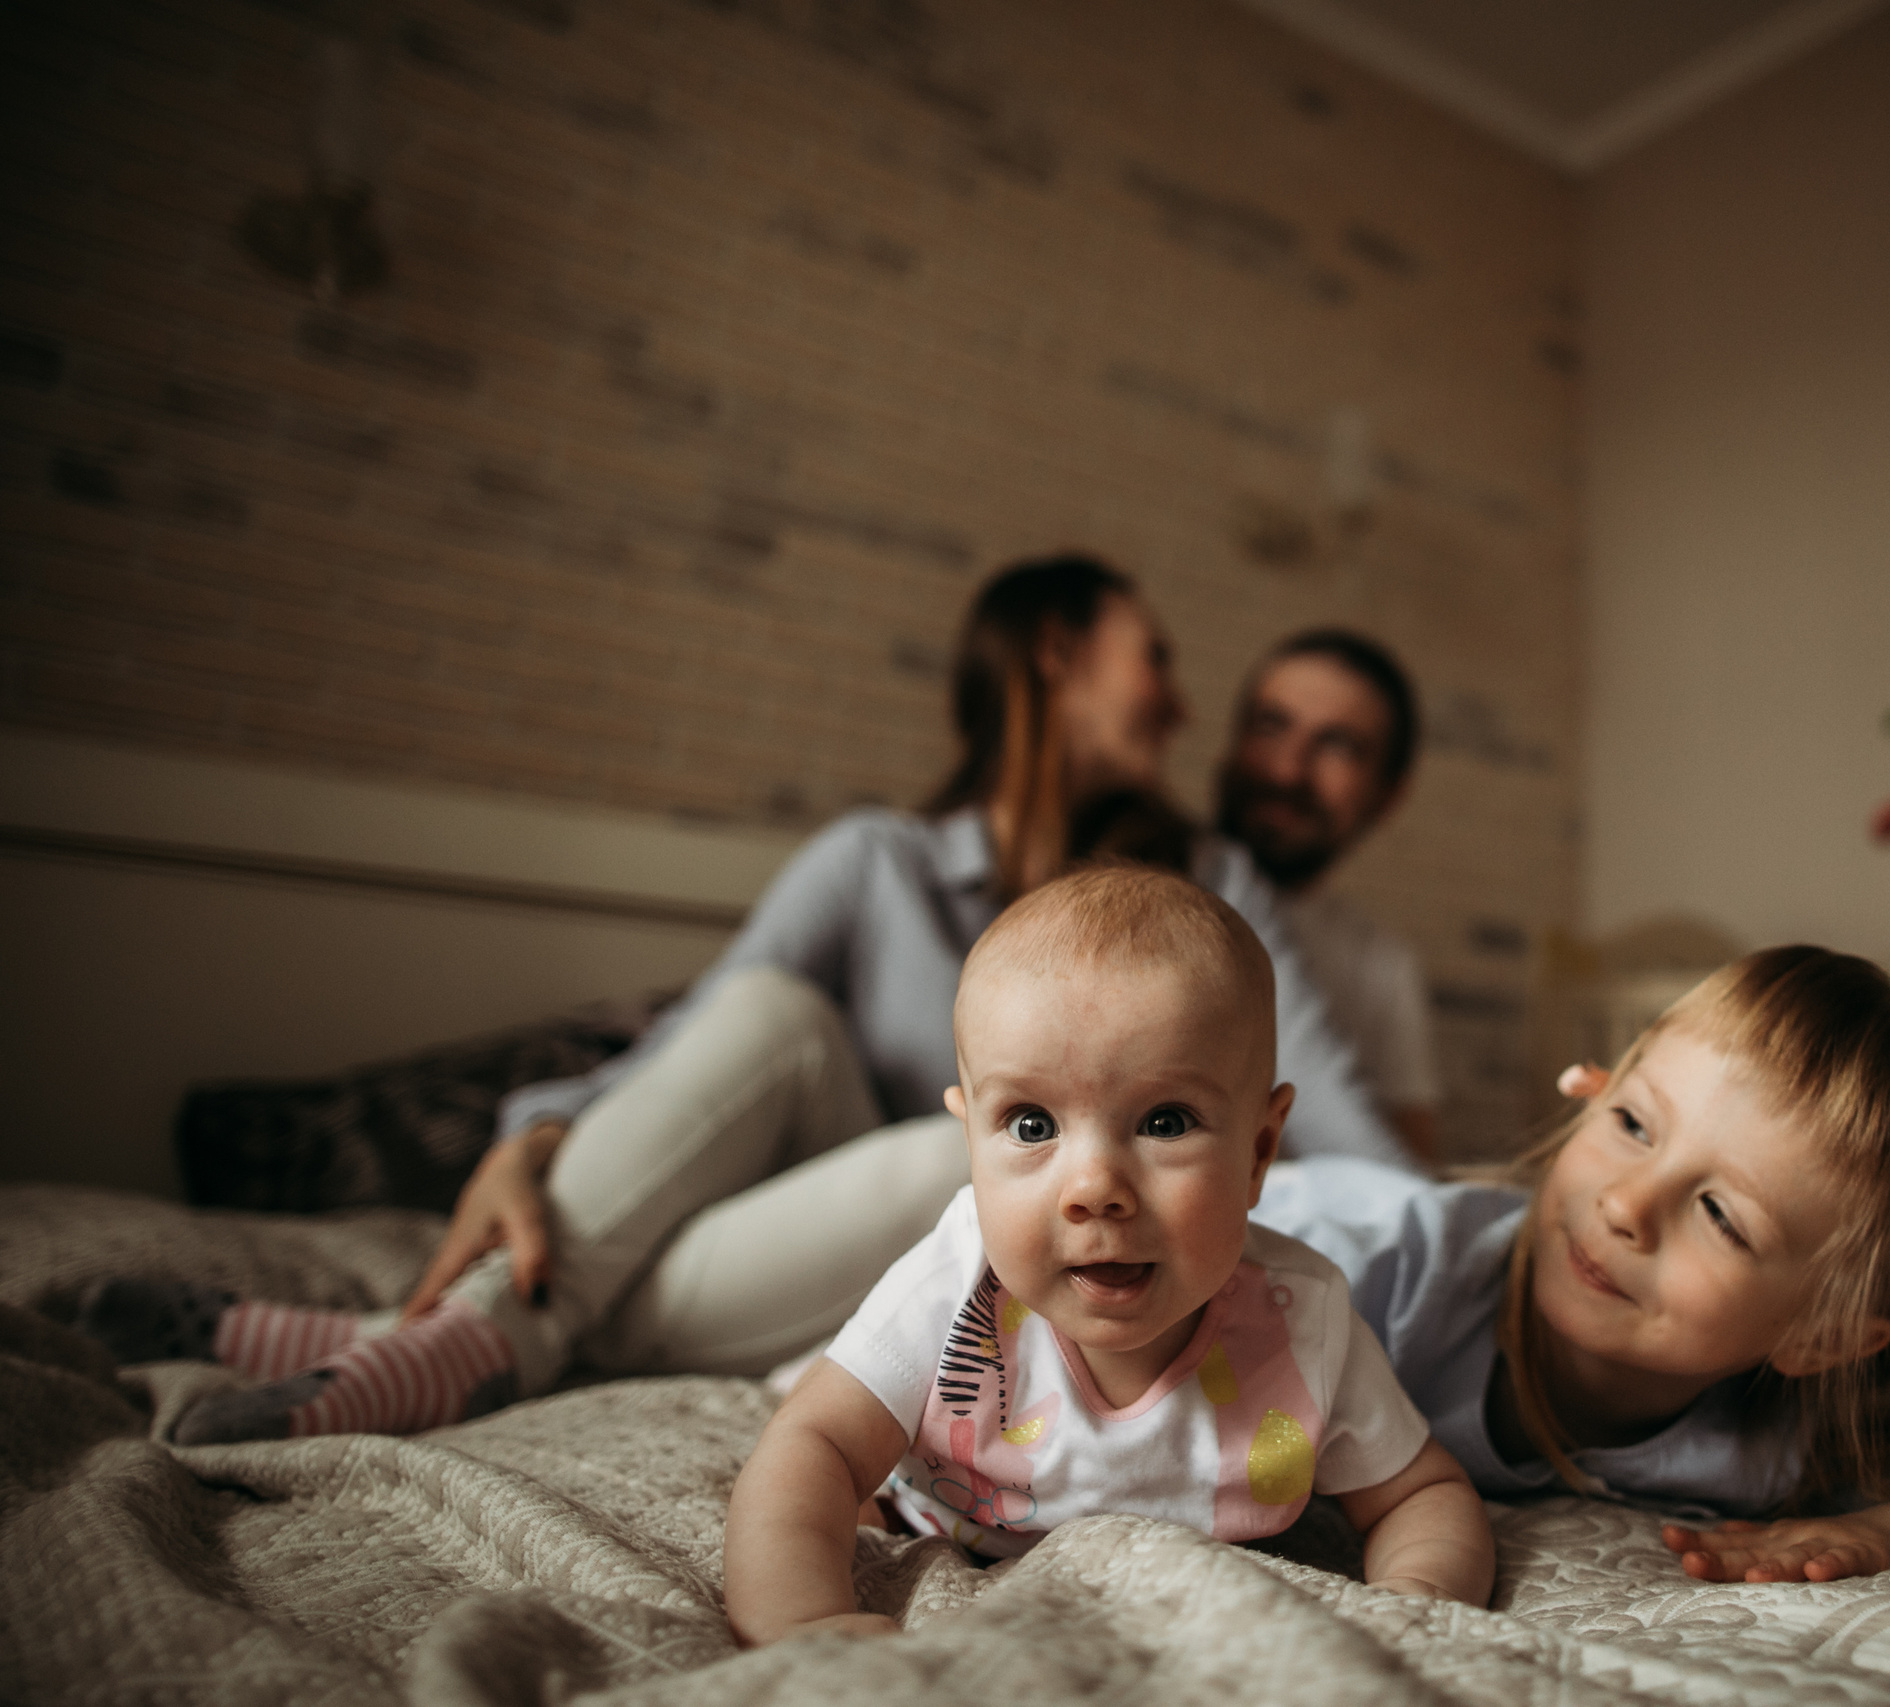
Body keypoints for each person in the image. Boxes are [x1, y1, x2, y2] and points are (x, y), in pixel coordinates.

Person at [93, 554, 1418, 1444]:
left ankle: (404, 1342)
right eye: (1157, 659)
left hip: (918, 1259)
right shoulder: (874, 862)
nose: (1184, 703)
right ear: (1058, 657)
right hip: (755, 1232)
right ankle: (460, 1337)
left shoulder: (1202, 882)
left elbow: (1337, 1122)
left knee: (959, 1162)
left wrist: (1508, 1225)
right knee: (780, 1008)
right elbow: (699, 1047)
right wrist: (537, 1133)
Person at [724, 865, 1491, 1643]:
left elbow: (1419, 1493)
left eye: (1164, 1122)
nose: (1094, 1188)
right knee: (838, 1444)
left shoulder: (1305, 1321)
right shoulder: (955, 1283)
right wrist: (803, 1618)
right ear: (970, 1144)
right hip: (950, 1509)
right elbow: (810, 1444)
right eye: (1030, 1125)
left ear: (1260, 1149)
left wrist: (1412, 1604)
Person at [1250, 945, 1890, 1580]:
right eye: (1633, 1124)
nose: (1626, 1205)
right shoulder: (1358, 1284)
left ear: (1823, 1335)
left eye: (1721, 1214)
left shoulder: (1779, 1441)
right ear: (1590, 1093)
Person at [1218, 631, 1441, 1162]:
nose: (1288, 769)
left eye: (1336, 745)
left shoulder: (1384, 969)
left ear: (1388, 795)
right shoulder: (1122, 888)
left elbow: (1410, 1169)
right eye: (1271, 726)